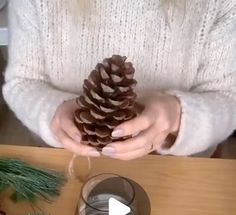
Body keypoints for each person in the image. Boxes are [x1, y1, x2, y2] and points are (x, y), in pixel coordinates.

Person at [3, 0, 236, 160]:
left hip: (180, 170)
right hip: (63, 164)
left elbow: (228, 99)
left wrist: (178, 115)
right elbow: (22, 81)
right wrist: (51, 112)